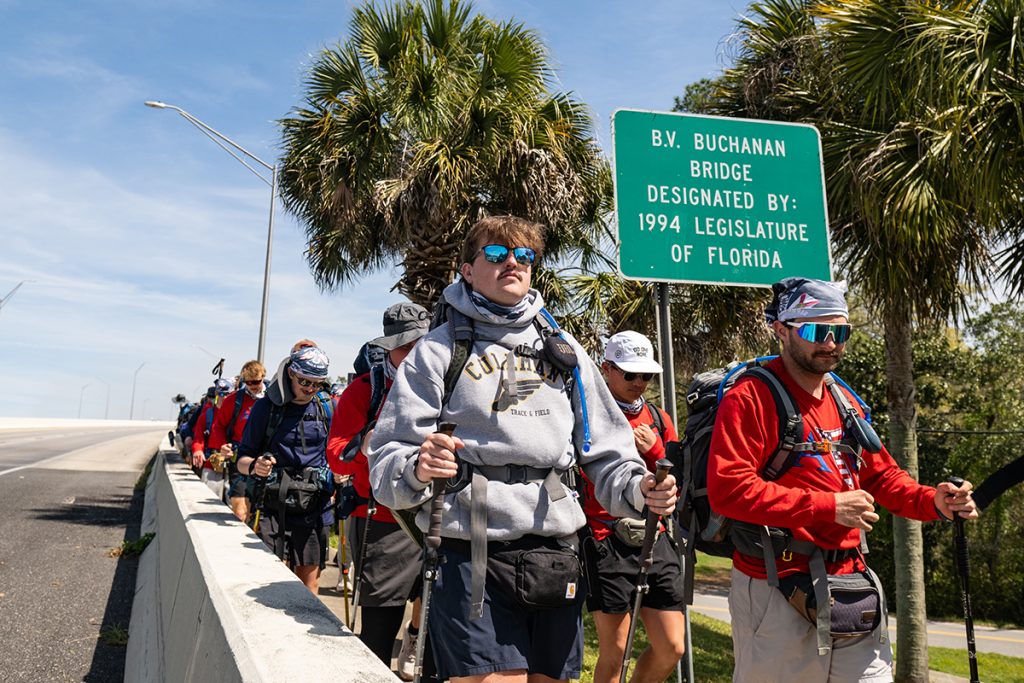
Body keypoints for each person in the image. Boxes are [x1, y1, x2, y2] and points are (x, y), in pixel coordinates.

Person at [368, 215, 678, 683]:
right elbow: (388, 458)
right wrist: (418, 467)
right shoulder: (436, 351)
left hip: (556, 548)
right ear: (468, 270)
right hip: (470, 547)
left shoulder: (566, 351)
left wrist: (639, 489)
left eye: (524, 256)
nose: (512, 262)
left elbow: (608, 453)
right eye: (496, 254)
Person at [707, 277, 978, 683]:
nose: (831, 343)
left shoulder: (844, 400)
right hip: (776, 586)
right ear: (782, 330)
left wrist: (934, 502)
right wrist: (829, 507)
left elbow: (883, 475)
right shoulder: (751, 397)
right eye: (817, 330)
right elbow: (728, 490)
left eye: (841, 332)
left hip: (852, 583)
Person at [327, 301, 431, 677]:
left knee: (438, 622)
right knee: (378, 633)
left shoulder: (449, 384)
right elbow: (337, 456)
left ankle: (417, 641)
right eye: (407, 346)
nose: (417, 352)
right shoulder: (362, 391)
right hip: (382, 519)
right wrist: (366, 447)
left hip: (442, 517)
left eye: (424, 342)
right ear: (389, 347)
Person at [582, 330, 686, 683]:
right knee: (617, 650)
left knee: (673, 646)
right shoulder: (589, 416)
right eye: (630, 374)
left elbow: (677, 480)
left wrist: (656, 451)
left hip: (654, 538)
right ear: (605, 369)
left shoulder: (659, 419)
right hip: (604, 539)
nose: (639, 382)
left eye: (647, 375)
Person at [237, 344, 335, 595]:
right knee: (274, 581)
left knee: (309, 585)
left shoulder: (326, 407)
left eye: (317, 383)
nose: (310, 389)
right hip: (275, 506)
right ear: (291, 373)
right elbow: (242, 460)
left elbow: (338, 450)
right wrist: (256, 467)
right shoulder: (266, 408)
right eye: (305, 381)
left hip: (315, 506)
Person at [208, 360, 266, 522]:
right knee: (240, 513)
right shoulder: (233, 401)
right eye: (249, 382)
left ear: (263, 377)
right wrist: (223, 446)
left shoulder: (272, 399)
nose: (253, 385)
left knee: (260, 513)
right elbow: (218, 426)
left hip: (265, 459)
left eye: (257, 382)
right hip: (239, 458)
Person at [191, 377, 235, 495]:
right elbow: (198, 439)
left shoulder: (238, 417)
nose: (224, 397)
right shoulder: (206, 416)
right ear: (216, 394)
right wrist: (198, 450)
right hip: (212, 466)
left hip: (235, 468)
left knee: (236, 509)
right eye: (220, 394)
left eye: (227, 394)